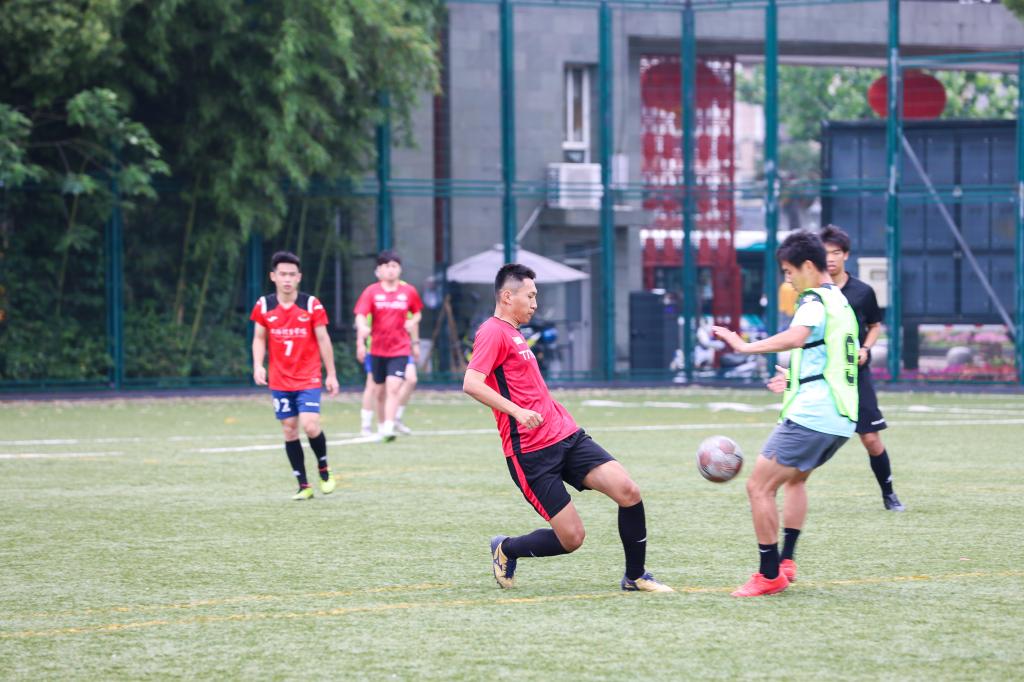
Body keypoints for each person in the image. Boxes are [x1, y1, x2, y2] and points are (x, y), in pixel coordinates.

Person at [463, 263, 673, 593]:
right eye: (530, 296)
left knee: (628, 491)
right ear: (507, 297)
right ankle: (506, 548)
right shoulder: (492, 331)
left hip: (566, 436)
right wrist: (517, 411)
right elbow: (472, 383)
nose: (535, 304)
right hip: (530, 453)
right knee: (572, 538)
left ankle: (636, 576)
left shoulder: (515, 332)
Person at [712, 231, 859, 597]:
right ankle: (786, 561)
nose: (788, 280)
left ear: (808, 266)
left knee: (758, 487)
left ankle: (769, 574)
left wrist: (744, 347)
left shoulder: (813, 300)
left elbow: (796, 337)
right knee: (795, 481)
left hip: (814, 416)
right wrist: (794, 377)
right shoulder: (839, 301)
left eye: (789, 271)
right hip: (840, 417)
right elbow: (831, 355)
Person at [820, 225, 905, 512]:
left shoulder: (862, 292)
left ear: (846, 255)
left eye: (835, 252)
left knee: (870, 438)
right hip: (823, 375)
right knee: (810, 437)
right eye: (824, 253)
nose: (830, 258)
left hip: (854, 375)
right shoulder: (814, 293)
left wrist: (865, 348)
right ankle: (782, 489)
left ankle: (889, 494)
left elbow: (874, 325)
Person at [251, 251, 340, 500]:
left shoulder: (311, 304)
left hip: (308, 377)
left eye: (292, 274)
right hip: (280, 380)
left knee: (310, 426)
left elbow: (323, 339)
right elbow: (259, 338)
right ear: (273, 276)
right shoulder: (264, 305)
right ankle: (303, 485)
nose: (287, 279)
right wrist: (258, 365)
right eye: (283, 274)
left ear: (299, 277)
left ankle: (323, 468)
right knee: (289, 430)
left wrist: (331, 374)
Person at [354, 252, 423, 441]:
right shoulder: (371, 292)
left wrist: (413, 324)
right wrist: (362, 332)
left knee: (394, 387)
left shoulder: (408, 291)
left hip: (400, 349)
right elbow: (360, 315)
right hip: (377, 349)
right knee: (379, 391)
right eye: (386, 266)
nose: (391, 270)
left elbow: (417, 313)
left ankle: (389, 427)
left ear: (399, 269)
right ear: (379, 270)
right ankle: (379, 425)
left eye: (394, 266)